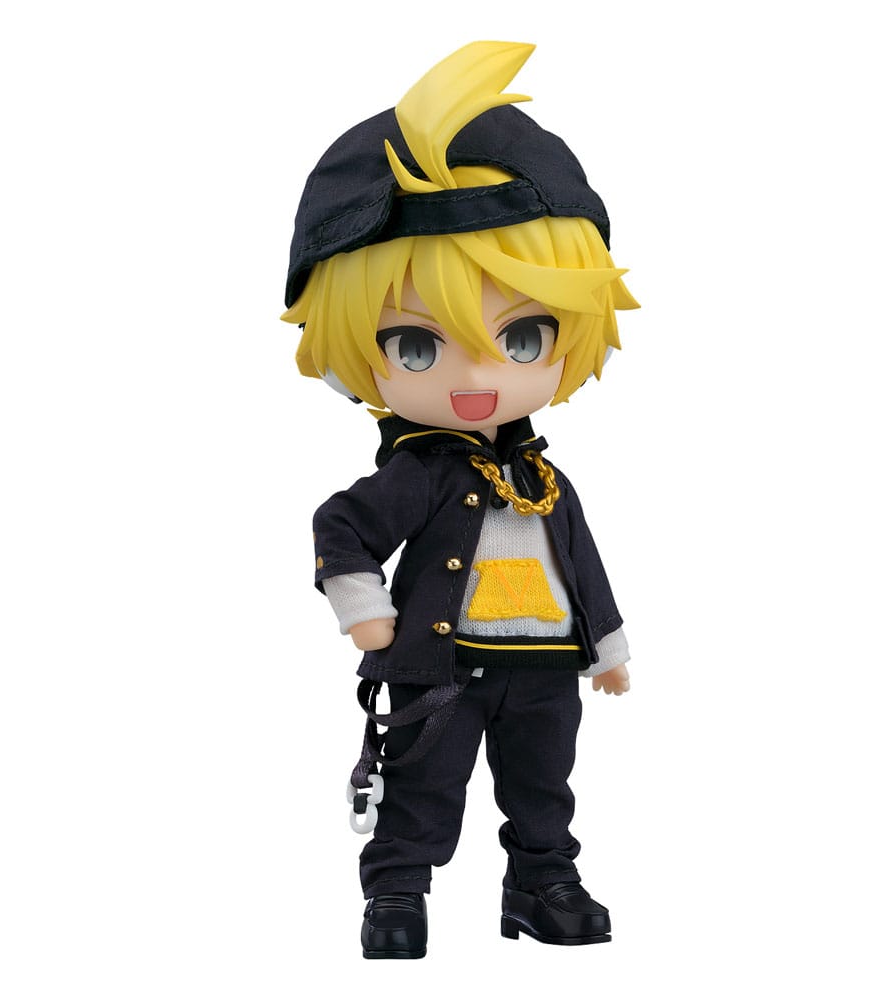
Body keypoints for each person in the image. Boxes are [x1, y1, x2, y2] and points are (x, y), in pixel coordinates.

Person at [282, 40, 639, 958]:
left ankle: (542, 882)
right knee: (423, 786)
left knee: (544, 785)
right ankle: (397, 893)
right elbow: (342, 525)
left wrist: (606, 644)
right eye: (416, 346)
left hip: (544, 665)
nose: (479, 379)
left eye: (523, 339)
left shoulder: (546, 475)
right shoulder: (421, 473)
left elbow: (581, 562)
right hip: (443, 669)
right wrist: (364, 609)